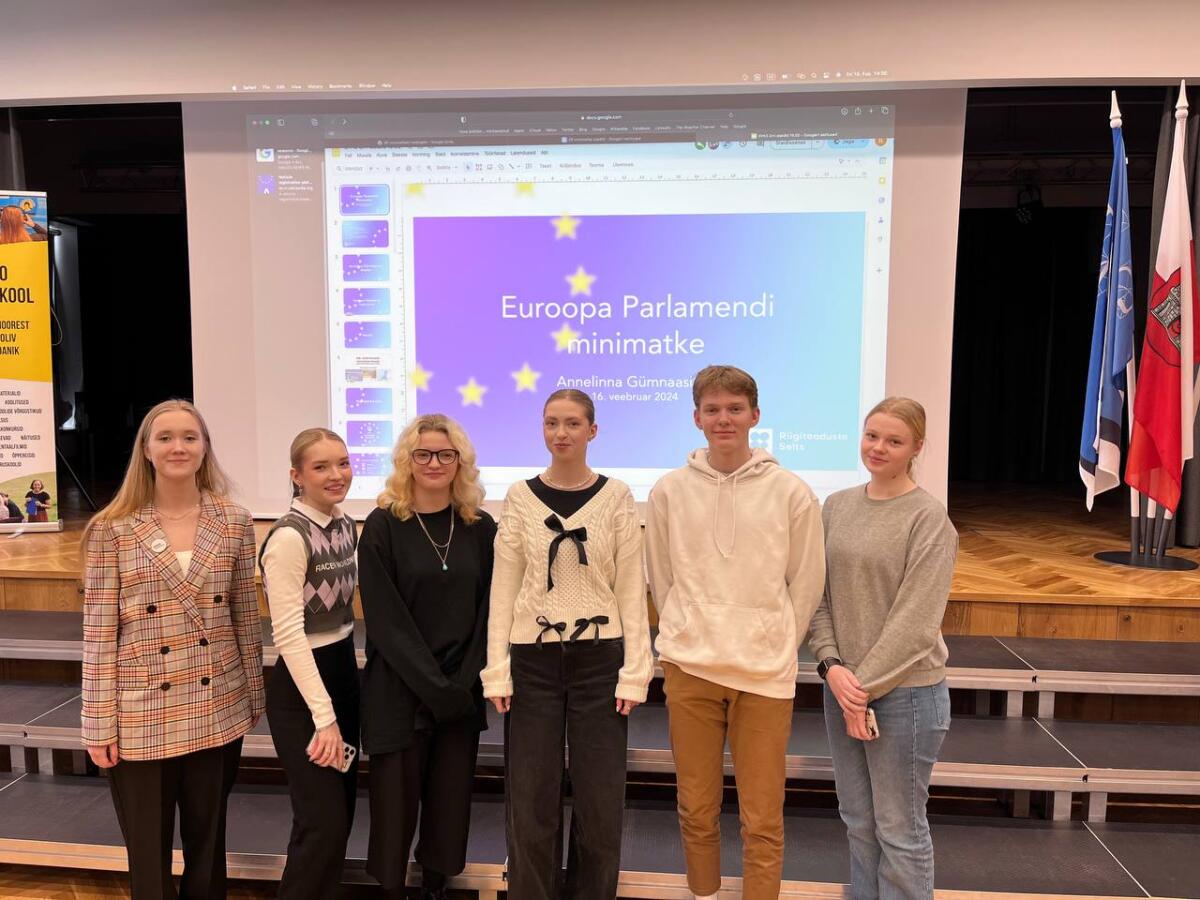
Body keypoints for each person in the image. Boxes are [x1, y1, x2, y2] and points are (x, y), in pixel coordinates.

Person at [645, 365, 825, 900]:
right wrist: (684, 631)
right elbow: (661, 576)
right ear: (697, 418)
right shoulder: (669, 491)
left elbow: (807, 581)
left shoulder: (791, 492)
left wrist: (778, 642)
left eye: (734, 409)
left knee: (762, 816)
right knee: (696, 806)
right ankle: (703, 893)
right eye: (713, 409)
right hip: (691, 667)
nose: (723, 419)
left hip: (764, 676)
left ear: (755, 415)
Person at [81, 399, 265, 900]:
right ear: (146, 449)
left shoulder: (234, 520)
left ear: (205, 448)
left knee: (208, 847)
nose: (177, 447)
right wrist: (98, 723)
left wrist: (253, 698)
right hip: (140, 712)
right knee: (148, 853)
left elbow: (245, 617)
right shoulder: (111, 528)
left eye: (189, 437)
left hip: (217, 704)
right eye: (164, 437)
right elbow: (98, 633)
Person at [482, 389, 651, 900]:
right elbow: (504, 589)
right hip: (532, 660)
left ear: (592, 430)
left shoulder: (616, 496)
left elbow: (631, 589)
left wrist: (635, 671)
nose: (561, 433)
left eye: (573, 423)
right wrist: (497, 669)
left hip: (601, 659)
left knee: (600, 800)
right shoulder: (520, 496)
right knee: (531, 796)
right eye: (552, 422)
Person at [808, 397, 957, 900]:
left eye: (894, 441)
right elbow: (819, 597)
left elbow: (916, 624)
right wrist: (832, 668)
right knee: (858, 821)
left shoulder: (928, 518)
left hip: (906, 697)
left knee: (900, 831)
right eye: (872, 435)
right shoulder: (837, 506)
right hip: (842, 688)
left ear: (916, 447)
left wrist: (860, 690)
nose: (878, 447)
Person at [358, 414, 496, 900]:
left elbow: (490, 612)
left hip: (461, 692)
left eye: (445, 454)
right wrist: (436, 688)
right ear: (407, 461)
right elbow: (386, 621)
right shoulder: (382, 526)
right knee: (394, 811)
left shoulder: (480, 527)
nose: (434, 463)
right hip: (399, 691)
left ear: (460, 462)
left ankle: (436, 886)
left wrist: (461, 683)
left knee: (448, 807)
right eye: (423, 454)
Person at [259, 428, 360, 898]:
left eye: (342, 463)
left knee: (339, 818)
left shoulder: (344, 524)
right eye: (321, 467)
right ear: (297, 476)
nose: (336, 474)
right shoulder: (288, 538)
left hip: (343, 675)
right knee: (323, 822)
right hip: (304, 691)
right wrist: (324, 717)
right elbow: (289, 637)